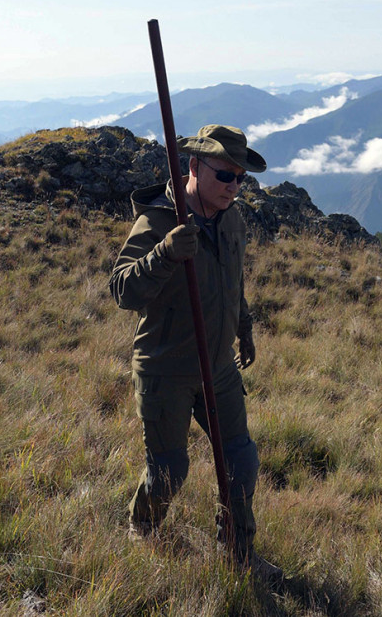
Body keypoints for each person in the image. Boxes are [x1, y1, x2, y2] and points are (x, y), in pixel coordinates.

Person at [109, 124, 282, 583]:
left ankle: (237, 553)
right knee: (169, 471)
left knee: (241, 461)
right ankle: (142, 528)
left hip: (218, 368)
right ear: (193, 167)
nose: (234, 187)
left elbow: (233, 281)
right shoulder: (159, 222)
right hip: (166, 369)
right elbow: (122, 290)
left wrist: (243, 327)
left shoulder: (232, 219)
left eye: (240, 178)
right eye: (225, 176)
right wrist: (164, 254)